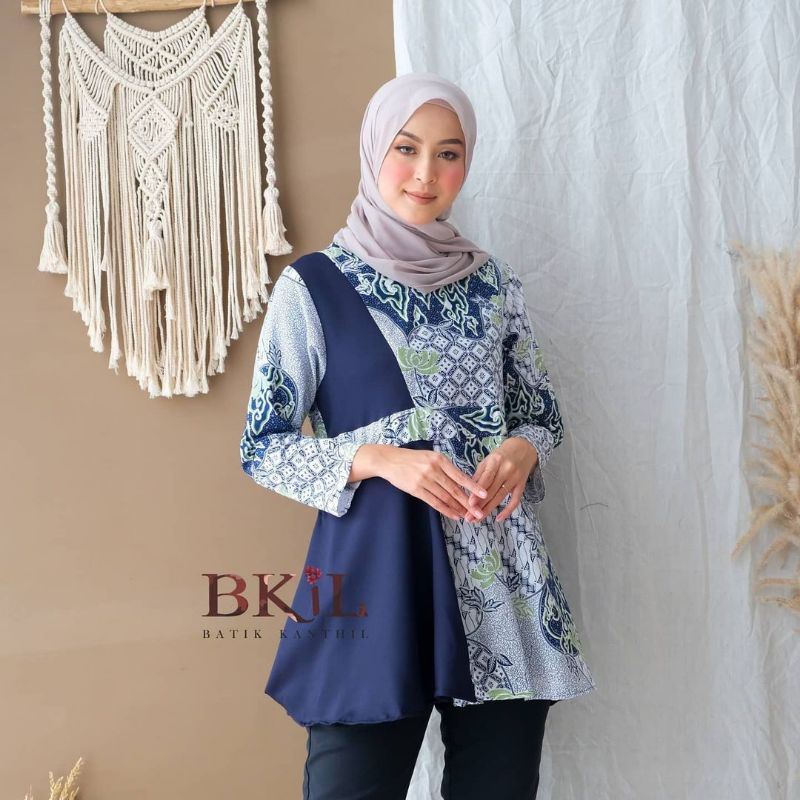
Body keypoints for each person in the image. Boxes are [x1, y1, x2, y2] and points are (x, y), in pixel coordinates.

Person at [239, 72, 596, 800]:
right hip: (377, 575)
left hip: (497, 577)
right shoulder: (314, 287)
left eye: (448, 153)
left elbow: (540, 413)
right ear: (374, 150)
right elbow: (263, 445)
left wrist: (523, 448)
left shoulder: (493, 285)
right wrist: (377, 459)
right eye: (406, 148)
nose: (426, 173)